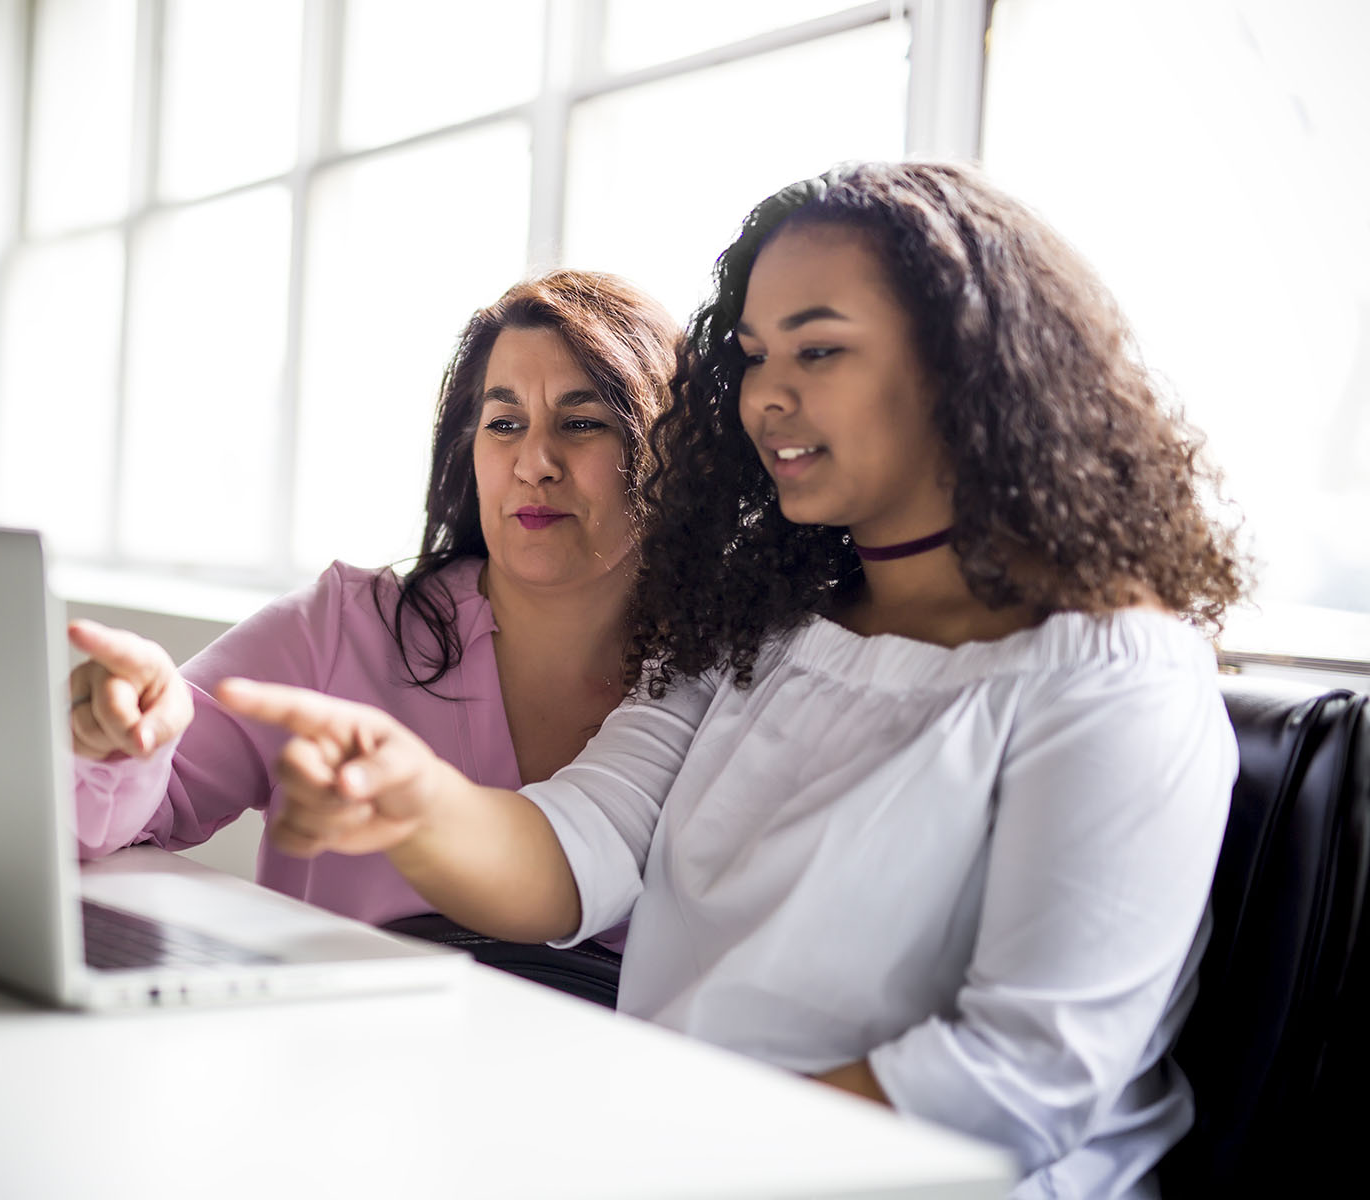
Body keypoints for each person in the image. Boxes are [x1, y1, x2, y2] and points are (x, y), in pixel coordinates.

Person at [217, 162, 1246, 1198]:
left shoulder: (1113, 680)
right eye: (753, 358)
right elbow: (577, 853)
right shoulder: (759, 631)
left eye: (819, 350)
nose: (768, 398)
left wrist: (665, 1153)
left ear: (965, 368)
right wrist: (416, 801)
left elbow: (1018, 1082)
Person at [68, 269, 681, 999]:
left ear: (670, 452)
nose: (533, 463)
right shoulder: (338, 628)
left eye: (581, 423)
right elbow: (96, 823)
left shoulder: (722, 684)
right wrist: (126, 735)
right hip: (337, 1064)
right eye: (504, 423)